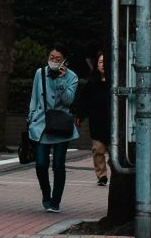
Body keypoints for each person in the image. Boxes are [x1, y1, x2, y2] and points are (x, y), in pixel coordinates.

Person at [28, 47, 79, 213]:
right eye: (51, 57)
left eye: (58, 58)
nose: (54, 60)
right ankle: (46, 194)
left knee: (58, 164)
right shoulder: (40, 73)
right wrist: (31, 117)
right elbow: (34, 97)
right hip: (41, 124)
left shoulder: (72, 77)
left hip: (61, 127)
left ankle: (55, 201)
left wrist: (61, 81)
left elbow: (68, 101)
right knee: (41, 163)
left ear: (64, 61)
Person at [75, 52, 113, 188]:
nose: (103, 65)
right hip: (97, 122)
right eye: (100, 62)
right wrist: (80, 116)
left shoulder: (115, 82)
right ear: (96, 65)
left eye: (105, 62)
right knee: (98, 150)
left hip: (114, 123)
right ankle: (102, 176)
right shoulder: (92, 83)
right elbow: (84, 101)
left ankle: (115, 172)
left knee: (114, 153)